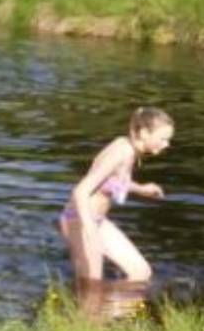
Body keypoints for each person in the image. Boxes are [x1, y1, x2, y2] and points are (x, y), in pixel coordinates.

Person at [59, 107, 173, 284]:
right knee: (92, 285)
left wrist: (141, 189)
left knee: (140, 273)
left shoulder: (126, 147)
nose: (167, 144)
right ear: (144, 133)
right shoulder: (122, 152)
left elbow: (109, 182)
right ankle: (89, 310)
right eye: (163, 139)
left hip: (96, 220)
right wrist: (89, 230)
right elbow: (80, 191)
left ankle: (110, 310)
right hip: (80, 220)